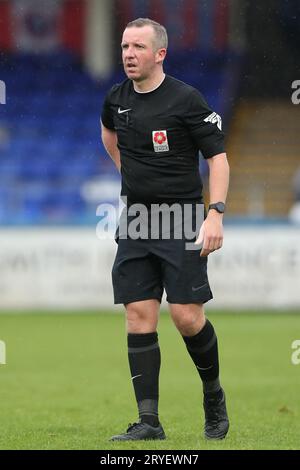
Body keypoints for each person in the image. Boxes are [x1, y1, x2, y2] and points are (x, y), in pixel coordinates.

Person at [101, 18, 230, 441]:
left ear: (160, 54)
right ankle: (149, 422)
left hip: (182, 218)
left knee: (187, 318)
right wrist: (128, 176)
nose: (128, 54)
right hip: (137, 219)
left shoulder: (185, 99)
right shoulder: (116, 99)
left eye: (138, 47)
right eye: (124, 46)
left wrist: (215, 213)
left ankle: (212, 393)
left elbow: (219, 160)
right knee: (138, 315)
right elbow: (108, 134)